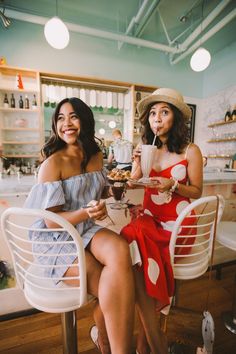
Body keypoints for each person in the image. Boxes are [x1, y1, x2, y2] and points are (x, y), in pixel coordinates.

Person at [24, 97, 135, 354]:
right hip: (57, 239)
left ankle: (107, 341)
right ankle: (115, 347)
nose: (67, 123)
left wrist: (114, 188)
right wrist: (87, 212)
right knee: (113, 283)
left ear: (85, 120)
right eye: (61, 118)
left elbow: (96, 190)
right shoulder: (52, 164)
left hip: (84, 230)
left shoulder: (95, 155)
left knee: (120, 249)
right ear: (55, 125)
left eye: (73, 116)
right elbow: (52, 222)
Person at [121, 87, 203, 353]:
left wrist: (173, 184)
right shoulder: (149, 150)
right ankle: (149, 339)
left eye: (164, 112)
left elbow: (197, 191)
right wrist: (135, 163)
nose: (157, 118)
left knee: (135, 241)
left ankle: (147, 341)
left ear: (176, 118)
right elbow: (132, 183)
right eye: (153, 113)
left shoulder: (191, 150)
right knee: (129, 234)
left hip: (178, 226)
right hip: (150, 219)